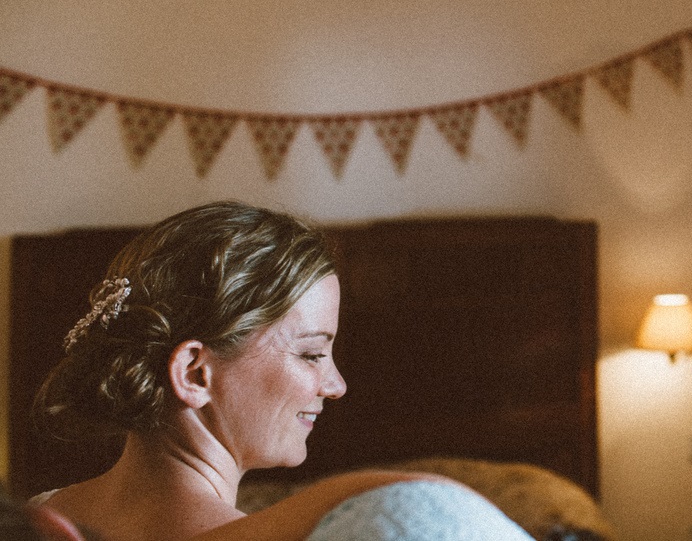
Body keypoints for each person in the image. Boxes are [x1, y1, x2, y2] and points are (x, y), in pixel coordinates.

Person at [30, 201, 533, 541]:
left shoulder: (34, 518)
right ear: (195, 373)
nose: (336, 386)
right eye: (312, 354)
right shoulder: (367, 512)